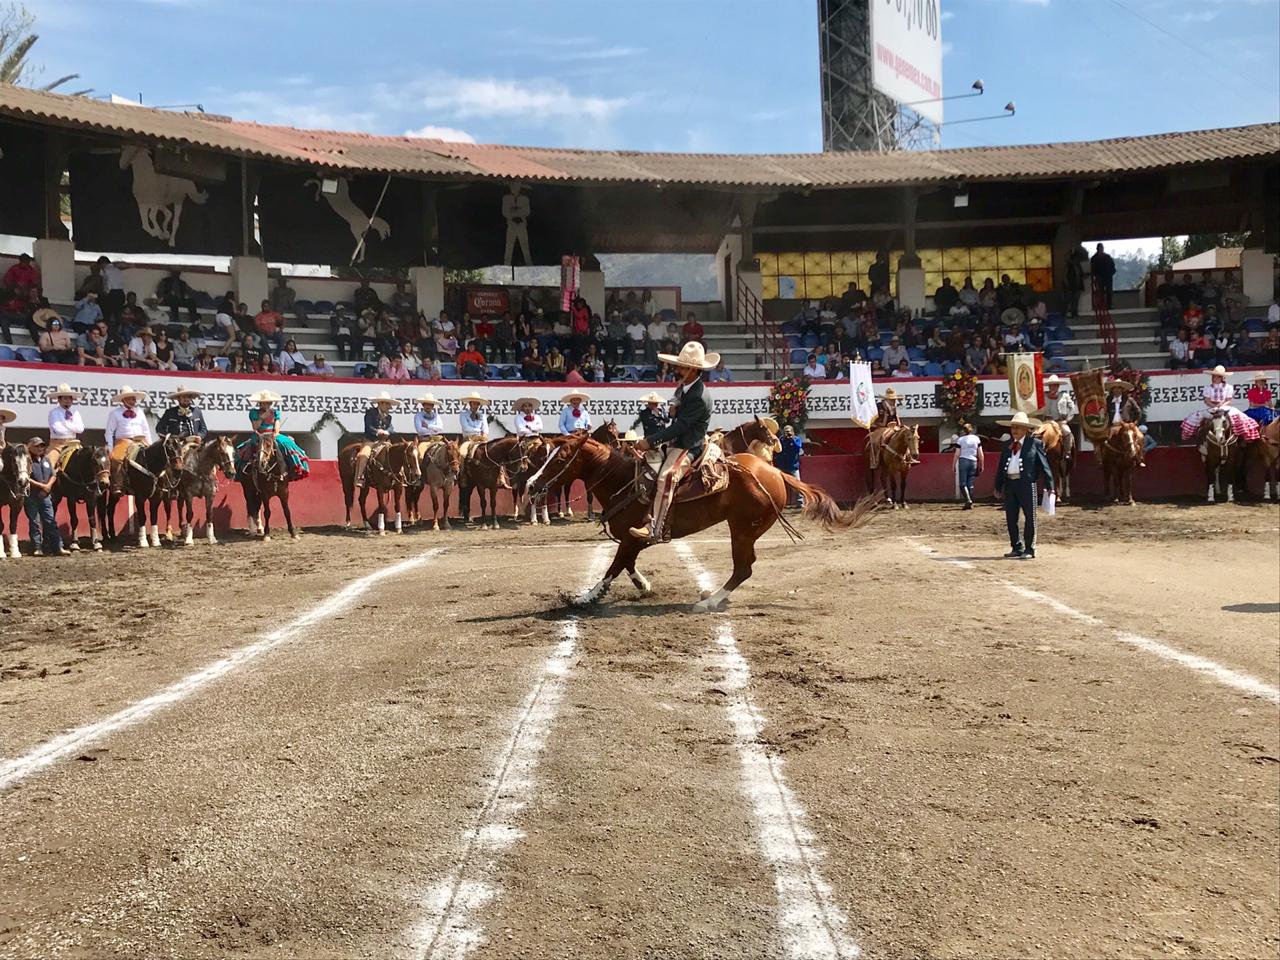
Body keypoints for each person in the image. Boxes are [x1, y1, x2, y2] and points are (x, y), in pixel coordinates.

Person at [629, 341, 717, 544]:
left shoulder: (698, 396)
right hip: (678, 441)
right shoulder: (686, 388)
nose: (678, 370)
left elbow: (681, 427)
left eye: (682, 367)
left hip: (688, 445)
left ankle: (654, 528)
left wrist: (650, 441)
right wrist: (674, 406)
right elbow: (678, 402)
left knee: (666, 477)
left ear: (693, 370)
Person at [994, 411, 1053, 560]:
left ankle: (1030, 548)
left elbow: (1044, 466)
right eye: (1013, 427)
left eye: (1018, 427)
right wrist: (998, 485)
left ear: (1026, 429)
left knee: (1030, 517)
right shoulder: (1007, 445)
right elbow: (1001, 467)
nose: (1014, 430)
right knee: (1011, 517)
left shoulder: (1034, 444)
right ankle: (1016, 546)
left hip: (1026, 484)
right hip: (1010, 484)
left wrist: (1050, 485)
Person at [237, 391, 310, 480]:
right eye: (264, 403)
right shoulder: (253, 412)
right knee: (246, 450)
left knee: (288, 444)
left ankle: (293, 469)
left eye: (268, 402)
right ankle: (243, 472)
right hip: (259, 435)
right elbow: (255, 427)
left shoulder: (275, 412)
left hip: (273, 435)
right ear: (259, 403)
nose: (266, 405)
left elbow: (277, 427)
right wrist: (262, 417)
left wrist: (273, 434)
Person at [1180, 365, 1261, 442]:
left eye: (1215, 376)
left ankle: (1242, 437)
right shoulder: (1208, 388)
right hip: (1210, 407)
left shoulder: (1229, 387)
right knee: (1196, 417)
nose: (1213, 378)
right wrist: (1214, 406)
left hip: (1224, 407)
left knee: (1239, 417)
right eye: (1213, 376)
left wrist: (1221, 405)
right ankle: (1196, 437)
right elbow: (1207, 400)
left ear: (1221, 377)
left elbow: (1229, 400)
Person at [104, 385, 154, 494]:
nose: (133, 401)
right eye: (131, 399)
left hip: (140, 440)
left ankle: (153, 484)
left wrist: (150, 444)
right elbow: (109, 432)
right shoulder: (115, 413)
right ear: (124, 399)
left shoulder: (140, 412)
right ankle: (117, 485)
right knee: (116, 458)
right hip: (123, 441)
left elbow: (146, 430)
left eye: (134, 399)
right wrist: (110, 448)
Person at [24, 437, 68, 556]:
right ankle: (37, 547)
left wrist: (48, 485)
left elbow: (53, 475)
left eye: (42, 446)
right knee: (35, 522)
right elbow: (26, 478)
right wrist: (42, 486)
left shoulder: (46, 460)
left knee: (51, 521)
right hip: (32, 496)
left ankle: (58, 547)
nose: (40, 448)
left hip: (45, 496)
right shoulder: (27, 461)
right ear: (30, 447)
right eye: (37, 446)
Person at [354, 392, 399, 489]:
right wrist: (378, 431)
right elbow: (368, 427)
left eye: (389, 404)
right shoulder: (370, 413)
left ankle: (398, 476)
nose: (389, 407)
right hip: (370, 440)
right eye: (387, 404)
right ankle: (360, 477)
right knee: (364, 455)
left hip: (383, 442)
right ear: (380, 403)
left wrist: (387, 431)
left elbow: (391, 428)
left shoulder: (388, 417)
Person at [865, 387, 902, 471]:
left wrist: (899, 426)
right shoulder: (878, 406)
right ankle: (875, 460)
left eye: (894, 399)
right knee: (875, 441)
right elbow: (873, 420)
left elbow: (897, 418)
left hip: (892, 427)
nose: (893, 401)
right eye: (892, 399)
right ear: (887, 399)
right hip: (880, 428)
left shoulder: (894, 407)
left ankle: (907, 457)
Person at [952, 421, 984, 510]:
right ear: (971, 429)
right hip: (973, 460)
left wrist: (953, 464)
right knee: (970, 483)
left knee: (962, 483)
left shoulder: (960, 440)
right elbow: (980, 453)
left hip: (963, 460)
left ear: (963, 430)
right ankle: (969, 501)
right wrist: (981, 464)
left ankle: (968, 500)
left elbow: (957, 454)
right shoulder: (976, 439)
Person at [773, 424, 806, 508]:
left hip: (793, 466)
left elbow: (798, 448)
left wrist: (791, 439)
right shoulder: (780, 440)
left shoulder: (796, 439)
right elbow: (777, 450)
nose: (787, 434)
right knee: (779, 485)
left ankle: (800, 502)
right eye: (785, 432)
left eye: (789, 432)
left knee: (798, 485)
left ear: (793, 432)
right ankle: (778, 503)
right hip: (782, 466)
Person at [457, 392, 490, 462]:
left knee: (490, 453)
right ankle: (461, 470)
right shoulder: (463, 414)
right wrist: (478, 431)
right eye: (474, 404)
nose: (476, 406)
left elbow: (485, 428)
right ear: (470, 404)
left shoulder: (482, 415)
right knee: (463, 454)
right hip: (468, 439)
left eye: (477, 404)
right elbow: (466, 428)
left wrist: (485, 434)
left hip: (481, 439)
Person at [1090, 243, 1116, 309]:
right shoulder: (1094, 259)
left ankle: (1109, 306)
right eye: (1100, 248)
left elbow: (1113, 267)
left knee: (1109, 292)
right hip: (1100, 277)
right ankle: (1102, 306)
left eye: (1102, 248)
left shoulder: (1107, 257)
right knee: (1101, 293)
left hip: (1108, 277)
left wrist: (1111, 273)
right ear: (1097, 249)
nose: (1101, 249)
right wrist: (1095, 277)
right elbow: (1092, 269)